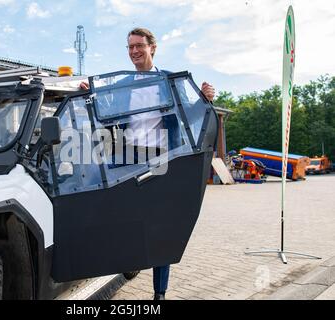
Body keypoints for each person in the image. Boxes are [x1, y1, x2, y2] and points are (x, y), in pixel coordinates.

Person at [81, 27, 215, 300]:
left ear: (152, 47)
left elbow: (190, 114)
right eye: (130, 47)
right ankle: (127, 260)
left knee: (161, 225)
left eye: (139, 45)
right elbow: (103, 109)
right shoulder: (122, 84)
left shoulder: (169, 81)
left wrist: (205, 98)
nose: (134, 51)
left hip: (162, 158)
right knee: (124, 218)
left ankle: (159, 293)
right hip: (128, 158)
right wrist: (87, 93)